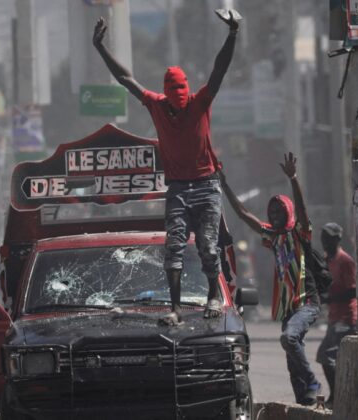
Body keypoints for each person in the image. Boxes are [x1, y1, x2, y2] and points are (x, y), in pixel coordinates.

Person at [92, 9, 241, 325]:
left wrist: (232, 35)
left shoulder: (199, 102)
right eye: (175, 101)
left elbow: (219, 70)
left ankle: (213, 295)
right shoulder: (157, 104)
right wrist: (100, 47)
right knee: (173, 246)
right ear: (167, 96)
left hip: (206, 185)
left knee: (208, 247)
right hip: (177, 187)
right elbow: (125, 78)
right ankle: (175, 309)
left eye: (182, 99)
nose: (179, 105)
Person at [220, 152, 322, 405]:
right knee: (291, 359)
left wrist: (293, 178)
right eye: (272, 211)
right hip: (290, 308)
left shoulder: (300, 232)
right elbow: (244, 214)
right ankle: (305, 403)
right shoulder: (273, 237)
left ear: (288, 212)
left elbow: (302, 208)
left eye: (279, 211)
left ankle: (312, 381)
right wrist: (224, 185)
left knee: (288, 339)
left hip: (307, 302)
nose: (275, 215)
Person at [314, 222, 357, 407]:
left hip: (346, 318)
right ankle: (341, 395)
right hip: (334, 317)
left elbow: (352, 291)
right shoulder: (326, 260)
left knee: (327, 356)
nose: (325, 241)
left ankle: (338, 396)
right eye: (323, 237)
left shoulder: (345, 261)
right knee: (330, 357)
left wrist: (329, 298)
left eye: (328, 238)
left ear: (337, 239)